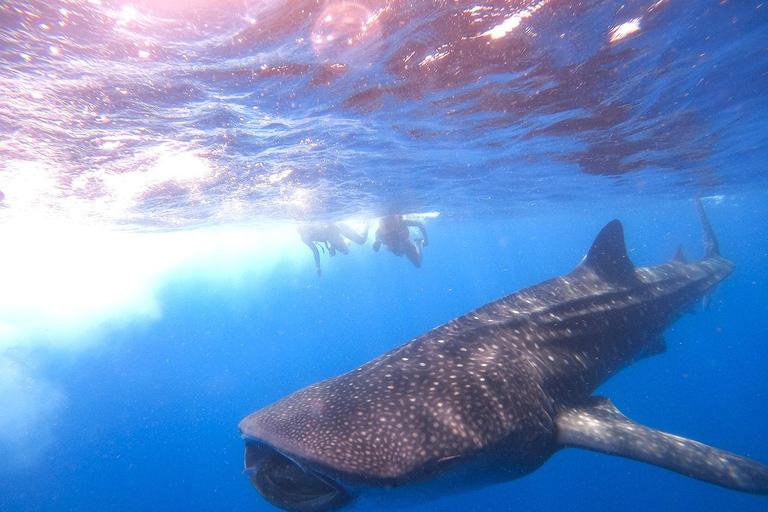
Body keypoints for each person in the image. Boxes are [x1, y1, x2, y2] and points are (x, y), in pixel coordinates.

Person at [296, 221, 369, 277]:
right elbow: (315, 251)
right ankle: (354, 232)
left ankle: (367, 221)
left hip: (337, 226)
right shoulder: (304, 238)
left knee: (361, 240)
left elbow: (331, 228)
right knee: (346, 252)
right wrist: (318, 267)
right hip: (332, 238)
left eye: (301, 228)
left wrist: (333, 246)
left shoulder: (313, 225)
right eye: (298, 229)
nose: (300, 230)